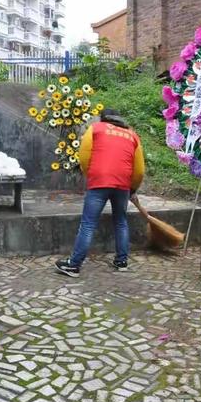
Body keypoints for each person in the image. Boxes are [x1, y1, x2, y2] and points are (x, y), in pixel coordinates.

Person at [55, 108, 145, 278]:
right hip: (122, 184)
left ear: (103, 118)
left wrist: (91, 174)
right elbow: (139, 169)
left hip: (99, 182)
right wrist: (132, 187)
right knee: (121, 221)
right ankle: (121, 261)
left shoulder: (96, 128)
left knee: (88, 224)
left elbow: (84, 155)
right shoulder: (132, 135)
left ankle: (74, 265)